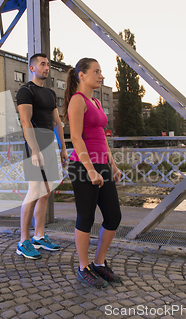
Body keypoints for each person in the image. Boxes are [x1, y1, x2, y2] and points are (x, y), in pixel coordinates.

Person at [64, 58, 123, 288]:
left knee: (113, 216)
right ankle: (83, 267)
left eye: (101, 72)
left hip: (101, 165)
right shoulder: (77, 101)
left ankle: (99, 263)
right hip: (82, 166)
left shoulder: (96, 102)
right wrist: (90, 170)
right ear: (82, 75)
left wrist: (113, 165)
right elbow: (76, 138)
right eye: (96, 71)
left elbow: (101, 137)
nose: (100, 76)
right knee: (86, 217)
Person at [16, 53, 67, 259]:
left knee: (46, 192)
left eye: (48, 64)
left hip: (49, 144)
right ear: (32, 68)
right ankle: (23, 241)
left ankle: (39, 236)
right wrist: (35, 150)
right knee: (34, 191)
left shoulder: (50, 93)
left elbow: (57, 122)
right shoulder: (25, 91)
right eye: (43, 64)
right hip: (34, 144)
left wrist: (63, 148)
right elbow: (26, 122)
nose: (47, 67)